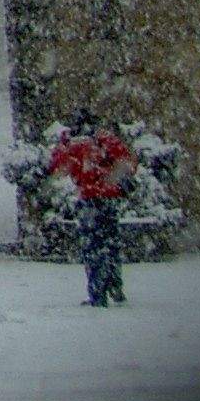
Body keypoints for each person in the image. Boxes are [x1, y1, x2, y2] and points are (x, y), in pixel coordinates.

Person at [48, 112, 137, 308]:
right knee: (111, 243)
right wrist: (111, 179)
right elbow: (128, 162)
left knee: (93, 249)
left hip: (89, 201)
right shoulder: (105, 140)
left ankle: (98, 294)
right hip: (109, 200)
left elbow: (56, 168)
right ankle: (115, 285)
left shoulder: (72, 145)